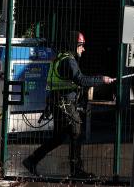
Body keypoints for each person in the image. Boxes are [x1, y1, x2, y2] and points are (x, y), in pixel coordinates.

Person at [23, 31, 116, 179]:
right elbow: (81, 80)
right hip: (64, 103)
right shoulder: (69, 61)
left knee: (59, 137)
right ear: (74, 44)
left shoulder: (60, 57)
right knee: (76, 133)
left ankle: (32, 160)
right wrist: (102, 79)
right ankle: (76, 170)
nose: (83, 49)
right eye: (81, 45)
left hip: (57, 102)